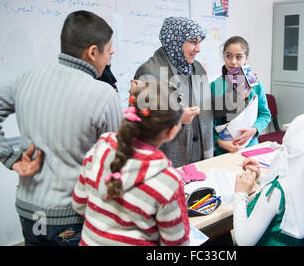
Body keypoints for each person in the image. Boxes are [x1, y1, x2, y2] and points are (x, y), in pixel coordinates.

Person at [0, 10, 124, 246]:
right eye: (109, 47)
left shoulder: (28, 78)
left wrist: (11, 158)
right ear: (92, 52)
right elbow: (115, 165)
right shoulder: (104, 95)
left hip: (30, 214)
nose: (111, 53)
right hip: (75, 218)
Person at [72, 82, 190, 246]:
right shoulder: (167, 181)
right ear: (171, 131)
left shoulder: (102, 146)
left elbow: (79, 204)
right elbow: (176, 243)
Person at [233, 113, 304, 246]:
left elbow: (243, 241)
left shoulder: (276, 192)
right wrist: (260, 177)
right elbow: (289, 191)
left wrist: (240, 194)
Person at [133, 17, 213, 167]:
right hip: (169, 160)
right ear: (175, 41)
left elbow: (206, 108)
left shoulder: (198, 68)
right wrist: (177, 118)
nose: (198, 49)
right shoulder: (149, 72)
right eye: (193, 42)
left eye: (199, 42)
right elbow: (142, 124)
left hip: (200, 156)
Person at [210, 36, 271, 155]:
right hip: (223, 150)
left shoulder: (255, 85)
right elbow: (208, 123)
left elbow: (265, 114)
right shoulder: (215, 85)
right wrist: (220, 142)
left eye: (239, 57)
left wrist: (254, 130)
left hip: (251, 147)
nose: (233, 61)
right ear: (224, 57)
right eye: (228, 56)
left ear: (246, 58)